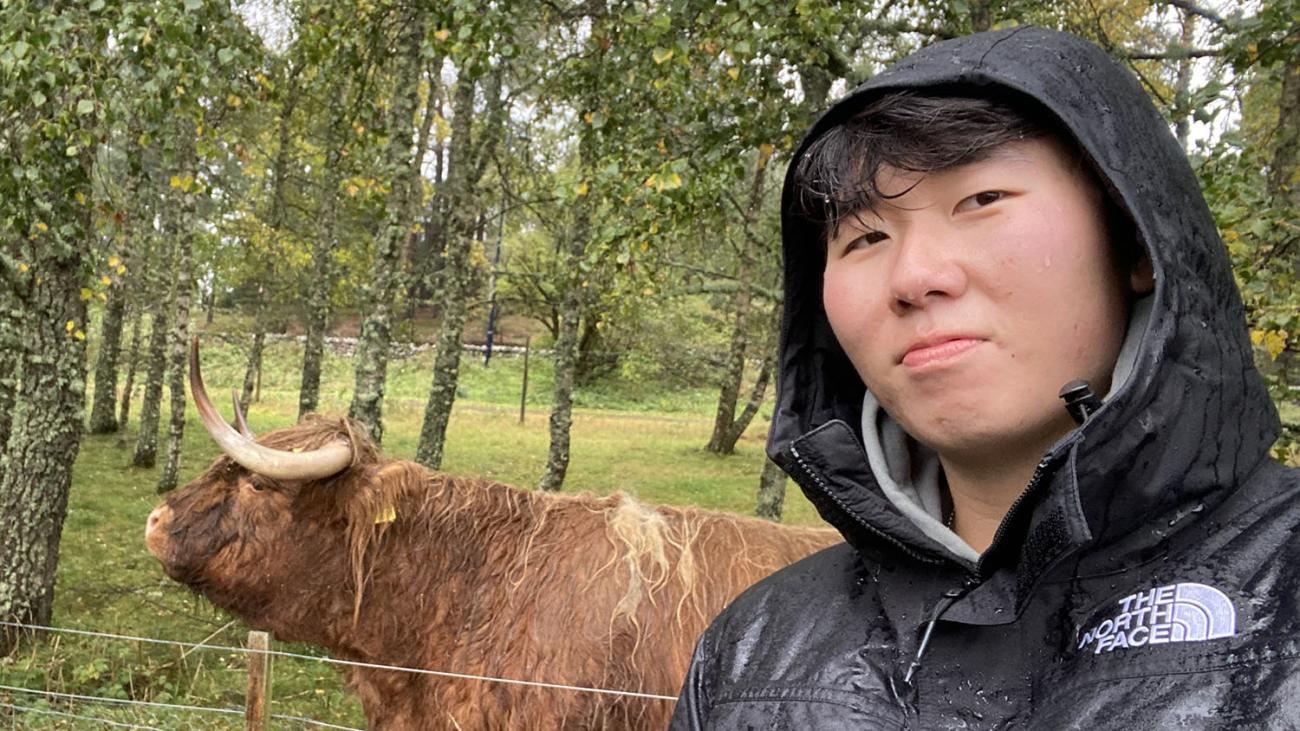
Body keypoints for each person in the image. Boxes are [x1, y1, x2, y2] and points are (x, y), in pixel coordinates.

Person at [671, 26, 1299, 730]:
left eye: (982, 200)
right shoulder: (752, 657)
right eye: (865, 237)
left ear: (1136, 241)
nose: (914, 278)